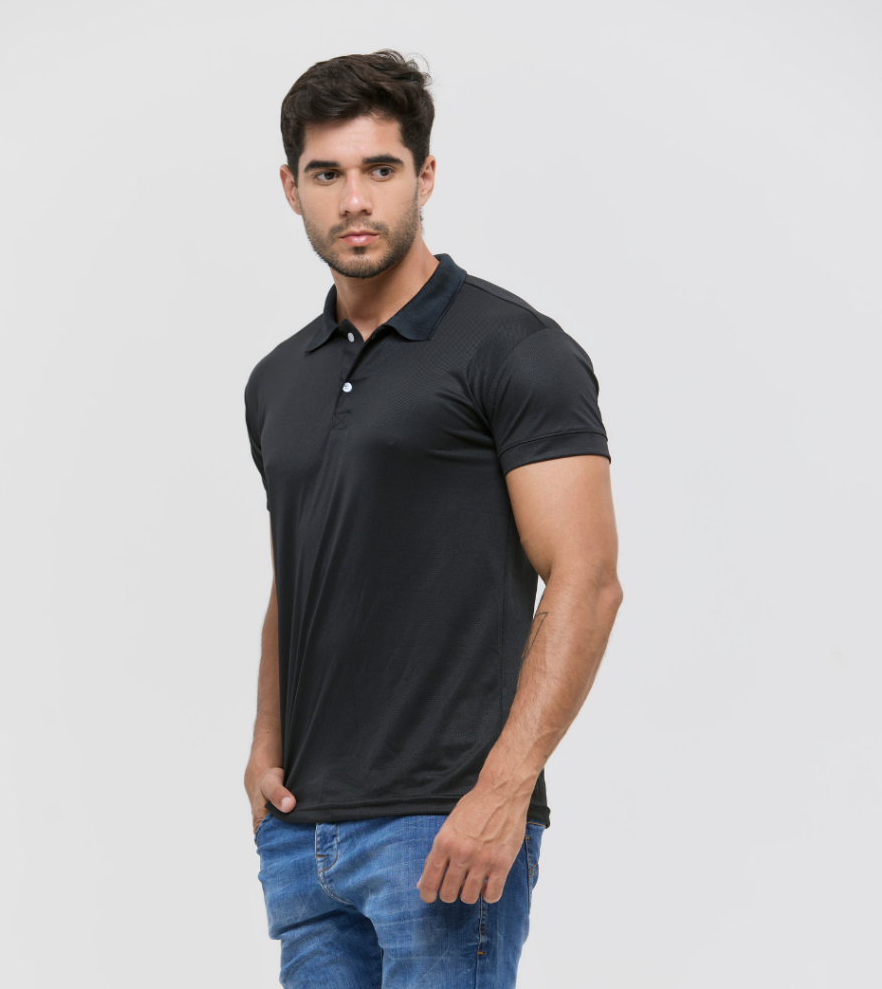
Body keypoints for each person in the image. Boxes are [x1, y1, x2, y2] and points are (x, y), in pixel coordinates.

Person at [242, 50, 622, 989]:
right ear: (291, 188)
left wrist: (504, 789)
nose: (354, 200)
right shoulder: (278, 379)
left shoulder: (513, 349)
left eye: (381, 168)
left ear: (426, 175)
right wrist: (263, 748)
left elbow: (586, 579)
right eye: (327, 174)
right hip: (303, 833)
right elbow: (303, 567)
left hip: (443, 825)